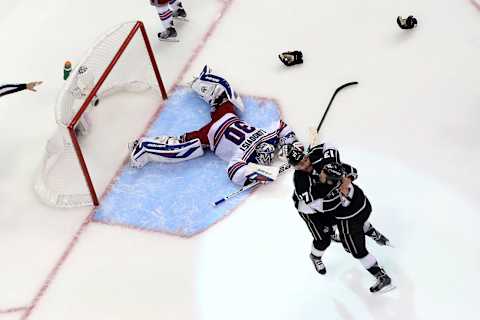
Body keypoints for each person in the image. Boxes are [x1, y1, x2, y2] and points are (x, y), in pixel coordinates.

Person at [129, 65, 299, 186]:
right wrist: (289, 146)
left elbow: (280, 126)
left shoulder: (264, 139)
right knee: (183, 147)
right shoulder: (246, 153)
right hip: (212, 134)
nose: (267, 160)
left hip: (225, 120)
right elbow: (233, 171)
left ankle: (204, 82)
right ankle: (144, 147)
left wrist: (288, 146)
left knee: (223, 100)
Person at [287, 142, 393, 293]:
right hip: (309, 210)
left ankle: (363, 237)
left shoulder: (322, 163)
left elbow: (349, 169)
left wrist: (342, 176)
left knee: (351, 235)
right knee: (323, 239)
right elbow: (321, 206)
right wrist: (341, 186)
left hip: (339, 208)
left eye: (305, 160)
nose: (305, 165)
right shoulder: (301, 181)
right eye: (300, 164)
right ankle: (315, 257)